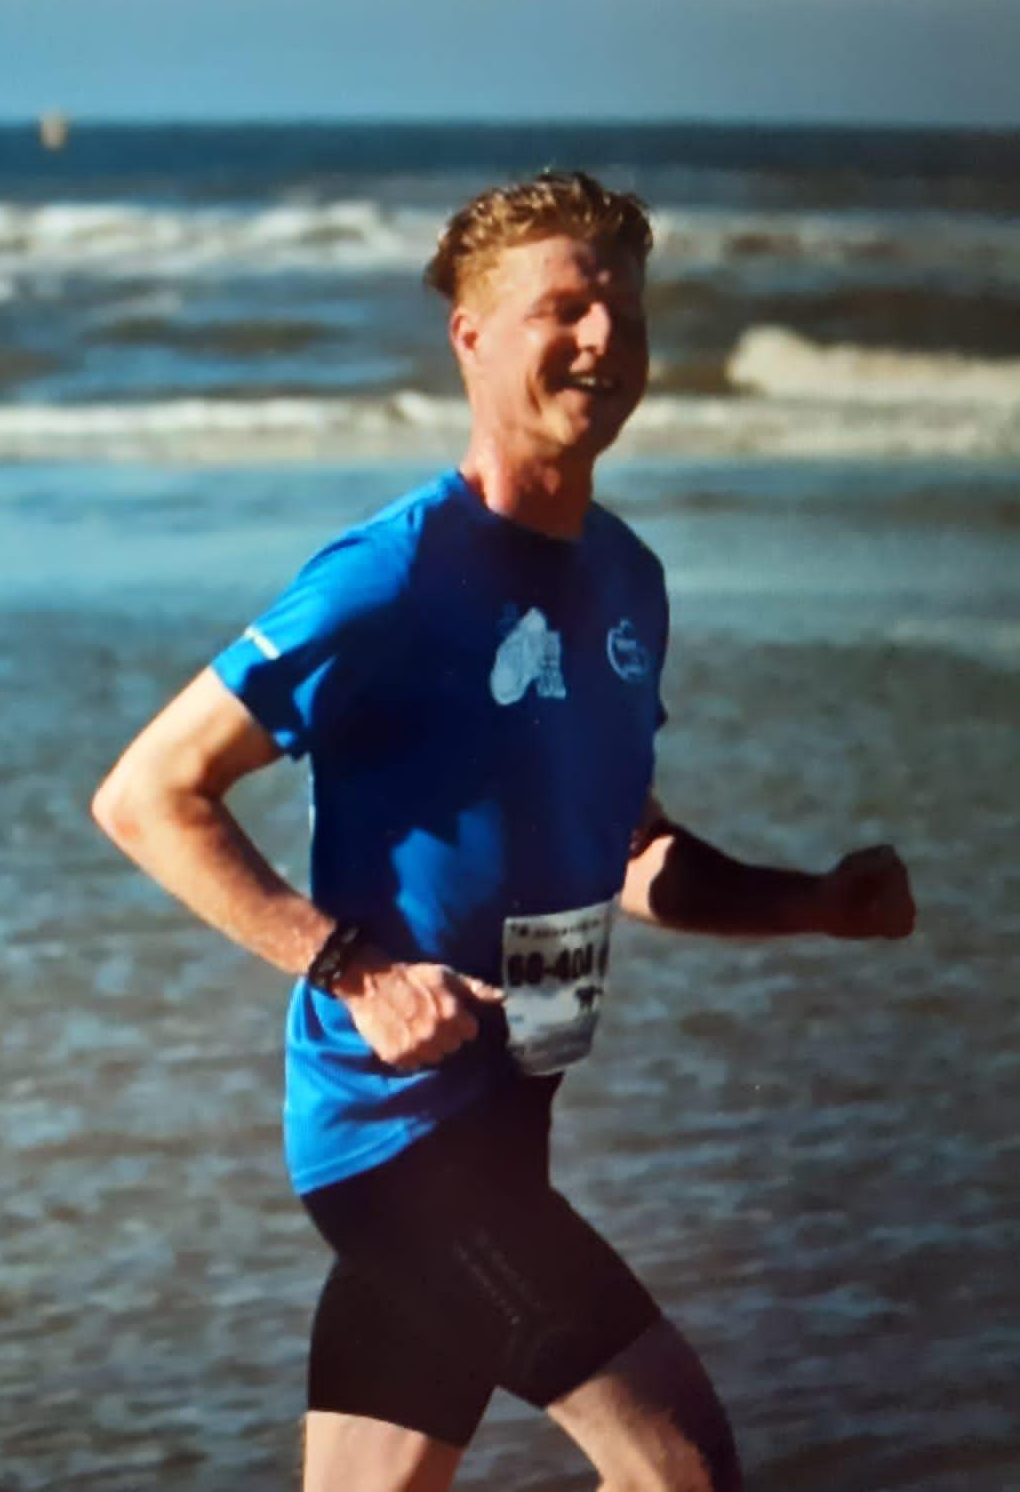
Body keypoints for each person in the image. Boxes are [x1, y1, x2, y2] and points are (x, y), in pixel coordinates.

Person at [90, 171, 915, 1492]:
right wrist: (351, 970)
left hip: (505, 1126)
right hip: (403, 1145)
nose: (602, 338)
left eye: (625, 312)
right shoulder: (393, 573)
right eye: (565, 307)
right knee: (680, 1467)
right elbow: (147, 793)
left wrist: (809, 901)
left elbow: (630, 849)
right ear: (470, 336)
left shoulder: (627, 578)